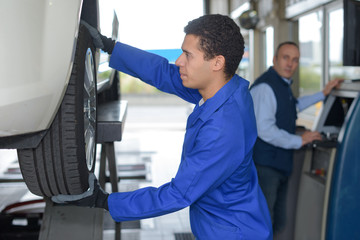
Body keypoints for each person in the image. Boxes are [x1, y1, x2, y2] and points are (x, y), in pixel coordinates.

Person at [52, 14, 272, 239]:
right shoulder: (228, 88)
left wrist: (104, 201)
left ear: (217, 62)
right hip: (231, 224)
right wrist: (111, 46)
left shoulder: (224, 130)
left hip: (233, 233)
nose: (179, 61)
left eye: (188, 55)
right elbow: (164, 73)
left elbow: (178, 194)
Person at [249, 41, 343, 234]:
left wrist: (323, 94)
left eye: (295, 60)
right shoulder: (266, 87)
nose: (290, 64)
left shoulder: (281, 85)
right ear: (275, 59)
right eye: (286, 58)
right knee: (264, 222)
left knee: (276, 221)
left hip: (278, 165)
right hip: (265, 166)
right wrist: (300, 140)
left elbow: (294, 105)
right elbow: (265, 129)